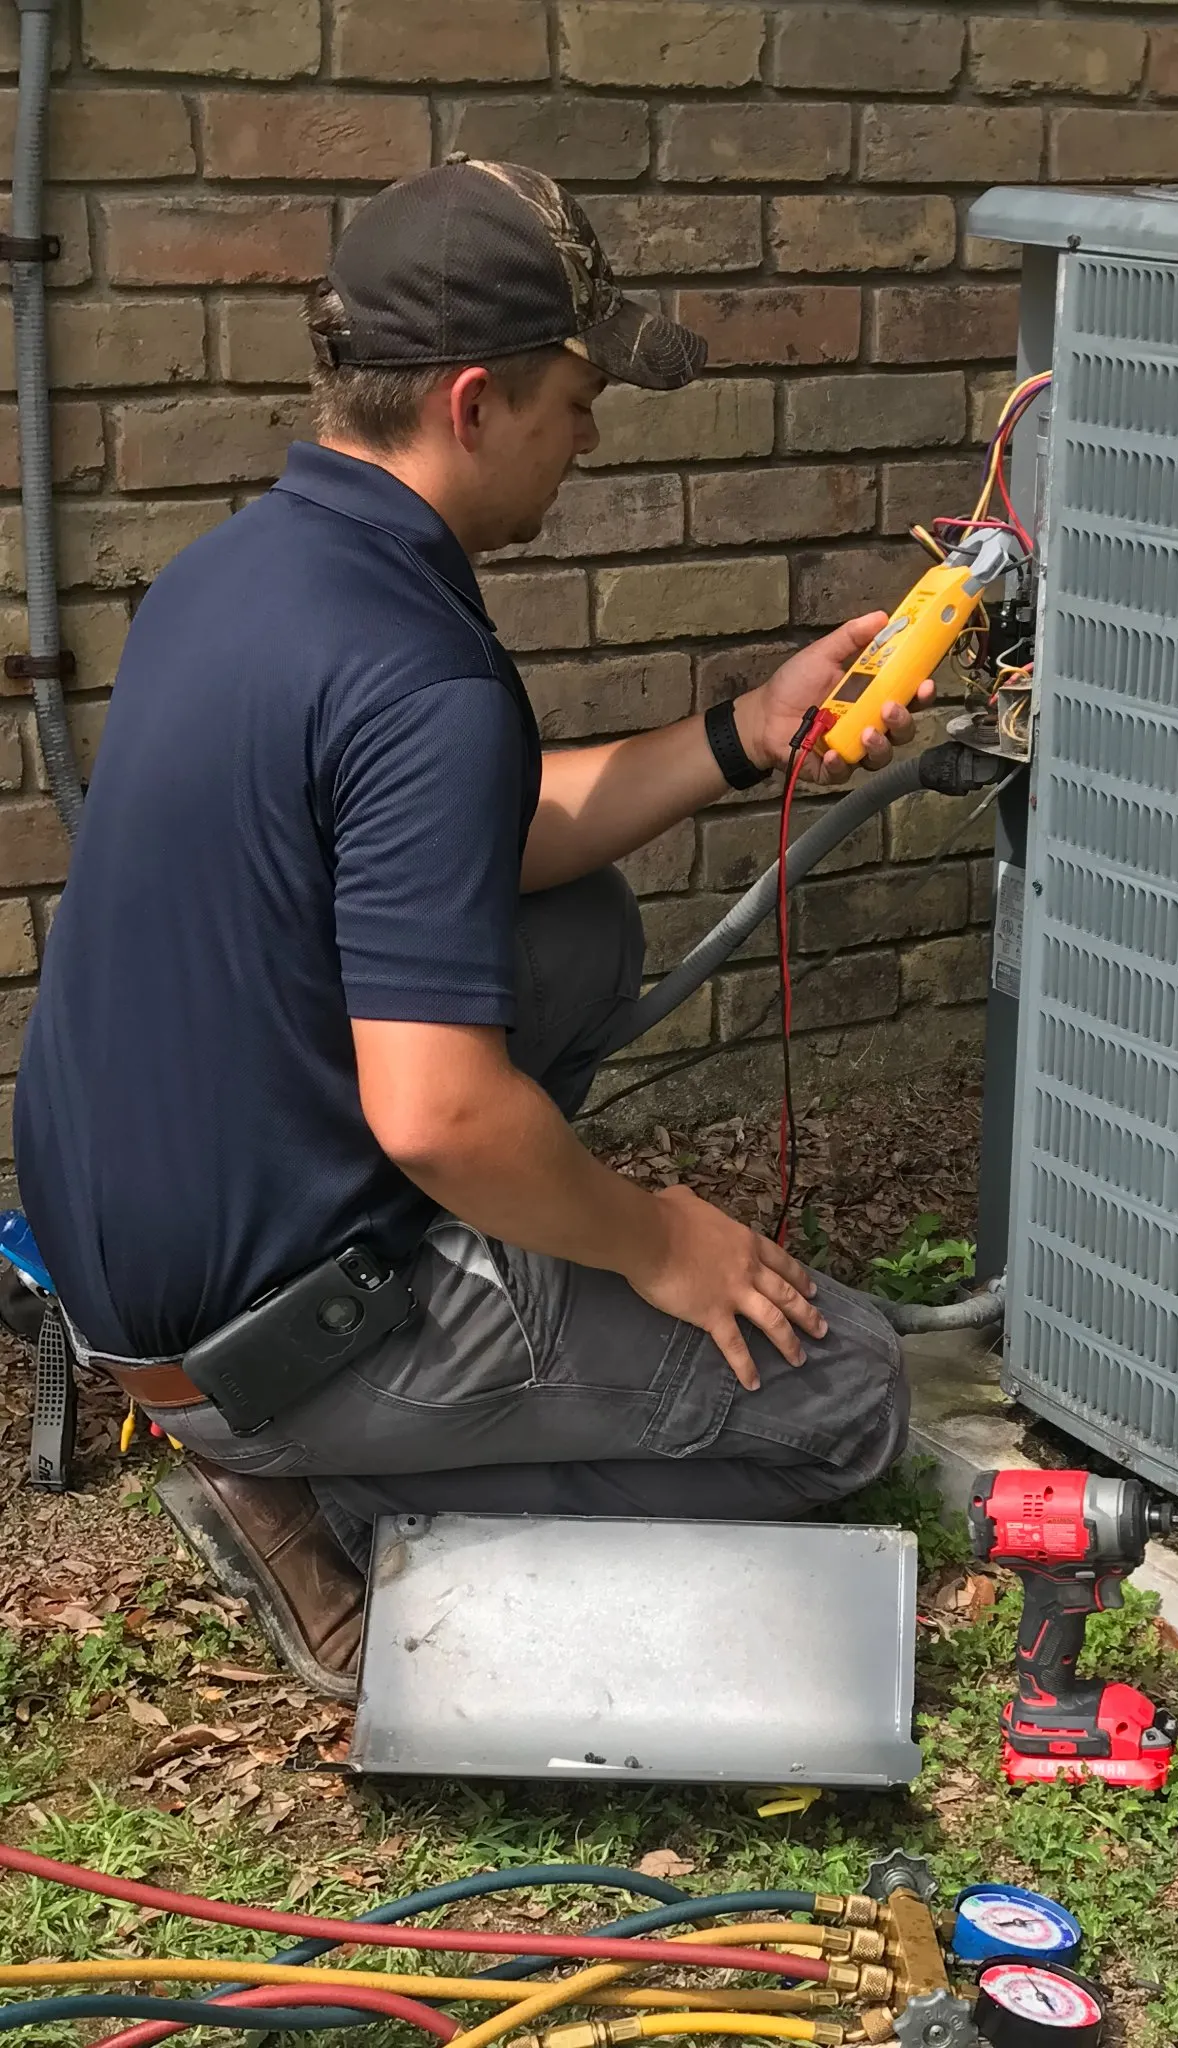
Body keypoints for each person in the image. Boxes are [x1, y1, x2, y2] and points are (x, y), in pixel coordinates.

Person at [13, 161, 931, 1681]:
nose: (590, 436)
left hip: (136, 1260)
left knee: (577, 930)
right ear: (472, 403)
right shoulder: (418, 670)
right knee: (850, 1400)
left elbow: (475, 841)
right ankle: (344, 1501)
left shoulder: (232, 574)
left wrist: (743, 732)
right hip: (270, 1345)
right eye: (577, 399)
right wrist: (656, 1242)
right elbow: (436, 1113)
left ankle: (369, 1388)